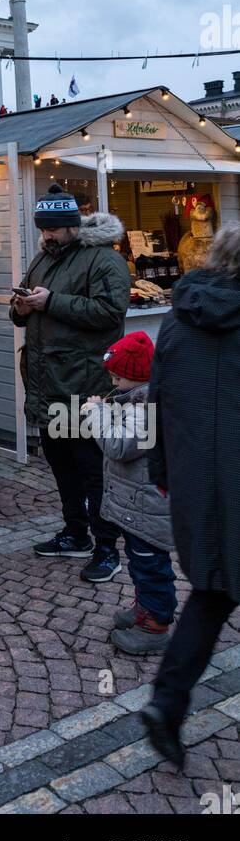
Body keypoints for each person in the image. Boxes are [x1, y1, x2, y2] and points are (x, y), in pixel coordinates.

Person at [140, 224, 240, 770]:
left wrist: (162, 471)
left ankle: (166, 703)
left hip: (199, 486)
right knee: (212, 597)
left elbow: (156, 405)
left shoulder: (177, 322)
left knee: (211, 595)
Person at [10, 183, 130, 581]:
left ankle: (107, 547)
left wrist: (50, 302)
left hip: (86, 387)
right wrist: (22, 307)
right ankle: (76, 533)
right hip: (48, 385)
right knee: (62, 468)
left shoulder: (103, 259)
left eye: (54, 229)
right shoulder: (44, 259)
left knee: (93, 470)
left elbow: (110, 312)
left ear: (73, 226)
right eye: (42, 228)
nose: (46, 235)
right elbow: (27, 312)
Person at [82, 331, 176, 655]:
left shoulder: (145, 407)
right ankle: (145, 609)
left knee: (151, 564)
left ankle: (156, 625)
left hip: (147, 506)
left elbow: (118, 445)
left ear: (135, 377)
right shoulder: (137, 401)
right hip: (138, 504)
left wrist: (96, 414)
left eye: (117, 376)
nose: (112, 381)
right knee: (139, 561)